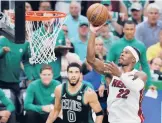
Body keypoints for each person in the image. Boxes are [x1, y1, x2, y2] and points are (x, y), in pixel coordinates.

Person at [87, 24, 147, 123]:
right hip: (113, 120)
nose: (122, 53)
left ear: (133, 59)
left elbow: (136, 87)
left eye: (126, 52)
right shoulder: (111, 71)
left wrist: (120, 75)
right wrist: (92, 32)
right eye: (122, 52)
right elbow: (91, 60)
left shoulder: (140, 75)